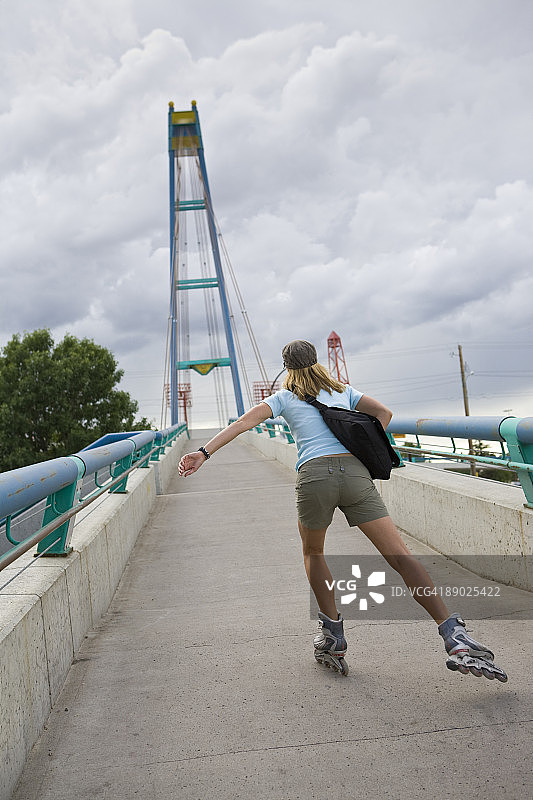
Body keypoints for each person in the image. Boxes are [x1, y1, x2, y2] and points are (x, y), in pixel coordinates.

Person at [178, 340, 507, 682]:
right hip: (354, 474)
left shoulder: (282, 398)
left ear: (287, 369)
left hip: (314, 477)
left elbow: (244, 423)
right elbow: (385, 414)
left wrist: (203, 452)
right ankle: (451, 631)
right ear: (317, 361)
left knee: (314, 552)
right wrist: (359, 439)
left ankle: (333, 635)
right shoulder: (343, 390)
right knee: (400, 555)